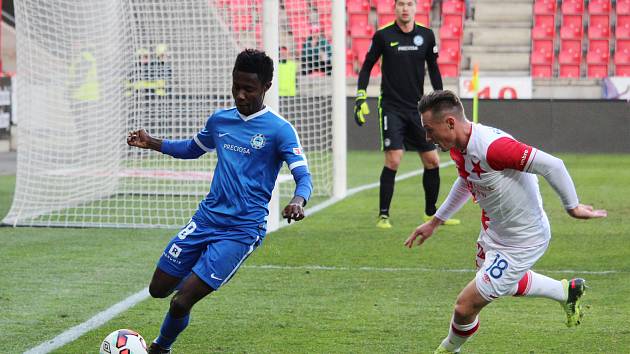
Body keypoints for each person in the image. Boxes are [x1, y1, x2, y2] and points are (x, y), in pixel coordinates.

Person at [127, 49, 313, 354]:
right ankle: (201, 274)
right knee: (157, 289)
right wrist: (153, 143)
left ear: (266, 86)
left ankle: (161, 348)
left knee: (180, 302)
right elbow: (191, 148)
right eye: (235, 86)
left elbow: (304, 176)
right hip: (205, 220)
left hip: (241, 230)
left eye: (248, 89)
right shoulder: (220, 121)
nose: (240, 95)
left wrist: (298, 200)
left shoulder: (279, 130)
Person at [405, 90, 607, 354]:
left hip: (523, 241)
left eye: (430, 130)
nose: (427, 138)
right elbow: (467, 180)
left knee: (465, 306)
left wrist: (573, 207)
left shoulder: (493, 147)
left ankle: (447, 350)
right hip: (494, 233)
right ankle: (566, 292)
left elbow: (553, 165)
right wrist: (436, 221)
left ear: (450, 123)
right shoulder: (459, 147)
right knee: (504, 283)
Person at [354, 0, 459, 229]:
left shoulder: (427, 36)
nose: (405, 8)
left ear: (415, 8)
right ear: (395, 8)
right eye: (401, 4)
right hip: (391, 108)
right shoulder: (383, 36)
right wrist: (361, 95)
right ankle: (384, 215)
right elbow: (367, 66)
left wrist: (442, 99)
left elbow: (433, 68)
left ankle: (431, 213)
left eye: (409, 4)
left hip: (418, 109)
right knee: (394, 158)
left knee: (432, 160)